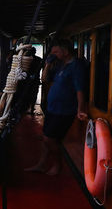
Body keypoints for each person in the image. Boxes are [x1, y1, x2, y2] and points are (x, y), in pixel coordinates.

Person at [26, 38, 88, 175]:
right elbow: (45, 79)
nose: (53, 54)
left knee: (50, 139)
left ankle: (57, 164)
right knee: (45, 137)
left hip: (65, 110)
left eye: (56, 51)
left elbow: (80, 89)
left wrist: (80, 109)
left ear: (65, 51)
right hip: (53, 108)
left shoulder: (76, 65)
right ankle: (41, 165)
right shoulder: (60, 65)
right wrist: (48, 64)